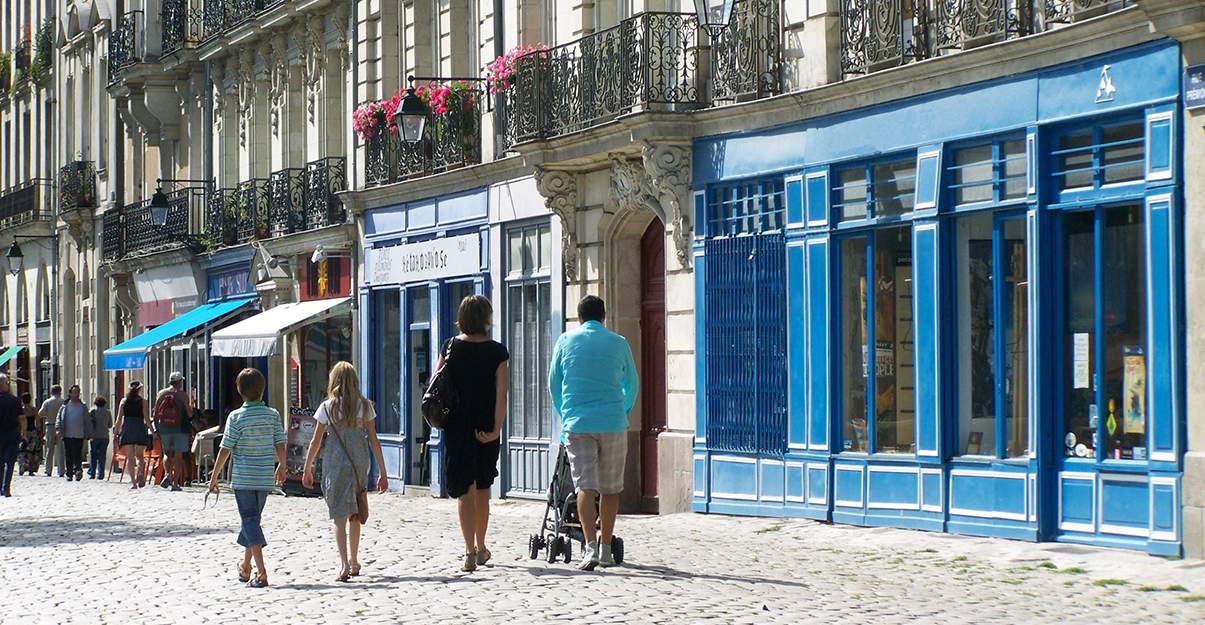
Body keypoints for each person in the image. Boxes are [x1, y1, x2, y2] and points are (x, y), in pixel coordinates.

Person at [548, 295, 638, 571]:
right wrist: (621, 410)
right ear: (604, 316)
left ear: (579, 317)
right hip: (612, 422)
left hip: (579, 423)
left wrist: (566, 414)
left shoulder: (565, 341)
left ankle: (589, 547)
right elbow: (631, 384)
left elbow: (554, 383)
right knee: (611, 489)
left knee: (584, 486)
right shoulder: (618, 343)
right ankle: (607, 547)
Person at [435, 294, 509, 573]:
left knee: (464, 490)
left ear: (462, 318)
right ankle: (480, 546)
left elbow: (435, 385)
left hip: (456, 426)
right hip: (484, 426)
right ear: (486, 318)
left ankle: (467, 550)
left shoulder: (450, 346)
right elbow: (502, 393)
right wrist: (496, 429)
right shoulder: (497, 352)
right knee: (482, 488)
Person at [302, 362, 388, 582]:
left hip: (335, 462)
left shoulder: (327, 407)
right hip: (359, 461)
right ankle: (354, 560)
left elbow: (315, 441)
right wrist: (383, 472)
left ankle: (343, 564)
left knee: (339, 514)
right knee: (355, 513)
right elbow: (374, 440)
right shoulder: (365, 406)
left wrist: (307, 467)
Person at [208, 368, 286, 588]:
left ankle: (261, 572)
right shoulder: (272, 415)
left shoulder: (236, 416)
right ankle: (245, 566)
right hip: (263, 478)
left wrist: (214, 477)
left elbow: (225, 448)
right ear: (263, 389)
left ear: (239, 391)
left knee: (250, 522)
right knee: (252, 521)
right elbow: (280, 442)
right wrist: (282, 465)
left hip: (243, 479)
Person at [155, 372, 193, 491]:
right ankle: (175, 483)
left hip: (164, 428)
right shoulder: (182, 395)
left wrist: (157, 429)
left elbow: (156, 413)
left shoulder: (161, 394)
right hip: (180, 429)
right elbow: (189, 414)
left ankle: (167, 475)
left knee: (166, 454)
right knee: (178, 456)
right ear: (180, 382)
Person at [115, 381, 151, 488]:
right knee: (140, 456)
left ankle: (134, 483)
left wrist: (116, 432)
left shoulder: (124, 401)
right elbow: (147, 418)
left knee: (130, 458)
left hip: (127, 428)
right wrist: (153, 431)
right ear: (139, 389)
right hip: (139, 427)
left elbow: (119, 419)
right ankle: (140, 473)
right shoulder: (143, 402)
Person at [56, 384, 89, 482]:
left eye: (78, 392)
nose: (76, 394)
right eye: (74, 392)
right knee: (68, 454)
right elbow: (59, 418)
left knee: (78, 453)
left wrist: (89, 433)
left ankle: (78, 470)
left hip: (79, 434)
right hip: (67, 434)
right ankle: (69, 473)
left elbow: (87, 420)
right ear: (70, 393)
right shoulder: (65, 406)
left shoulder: (82, 406)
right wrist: (58, 429)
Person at [0, 375, 22, 497]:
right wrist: (23, 432)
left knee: (0, 462)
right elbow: (21, 418)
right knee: (10, 462)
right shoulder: (14, 400)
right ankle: (6, 488)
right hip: (12, 433)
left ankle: (0, 488)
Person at [38, 384, 64, 477]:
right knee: (61, 449)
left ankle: (48, 470)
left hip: (50, 425)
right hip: (61, 427)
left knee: (49, 449)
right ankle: (61, 471)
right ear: (60, 391)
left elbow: (40, 413)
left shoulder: (47, 402)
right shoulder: (63, 402)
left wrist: (48, 415)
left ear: (51, 392)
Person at [87, 396, 113, 480]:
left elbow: (88, 423)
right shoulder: (108, 412)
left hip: (94, 436)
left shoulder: (92, 411)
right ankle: (101, 474)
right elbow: (110, 425)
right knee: (102, 455)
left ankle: (92, 473)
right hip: (105, 436)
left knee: (93, 455)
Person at [18, 393, 41, 476]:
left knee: (22, 450)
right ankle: (31, 469)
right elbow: (38, 422)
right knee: (32, 451)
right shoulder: (34, 409)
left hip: (23, 432)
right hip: (32, 431)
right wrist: (38, 431)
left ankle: (22, 466)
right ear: (30, 399)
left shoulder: (21, 410)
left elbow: (19, 421)